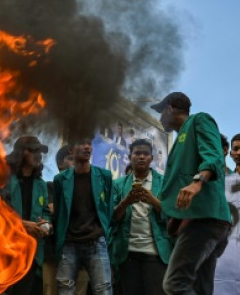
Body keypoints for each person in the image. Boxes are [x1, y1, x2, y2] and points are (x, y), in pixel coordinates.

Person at [151, 92, 230, 295]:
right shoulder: (180, 140)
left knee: (175, 283)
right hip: (203, 220)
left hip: (203, 218)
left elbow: (213, 155)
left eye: (161, 113)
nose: (160, 119)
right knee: (201, 288)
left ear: (169, 109)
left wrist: (198, 182)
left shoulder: (199, 120)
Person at [111, 139, 172, 295]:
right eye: (137, 153)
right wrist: (126, 202)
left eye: (146, 154)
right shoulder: (118, 184)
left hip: (156, 254)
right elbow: (112, 219)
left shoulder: (164, 182)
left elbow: (172, 216)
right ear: (130, 157)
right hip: (127, 254)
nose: (141, 157)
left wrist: (153, 201)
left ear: (152, 158)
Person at [53, 140, 114, 295]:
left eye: (89, 143)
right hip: (69, 243)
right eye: (82, 143)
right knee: (65, 288)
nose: (87, 147)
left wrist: (103, 232)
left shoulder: (104, 176)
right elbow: (59, 213)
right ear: (72, 149)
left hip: (96, 242)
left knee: (103, 289)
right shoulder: (61, 179)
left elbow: (107, 208)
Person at [2, 136, 52, 295]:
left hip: (31, 256)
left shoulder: (41, 184)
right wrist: (23, 225)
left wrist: (47, 225)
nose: (38, 155)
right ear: (21, 153)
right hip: (5, 252)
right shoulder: (4, 179)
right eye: (33, 151)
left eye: (40, 151)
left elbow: (45, 212)